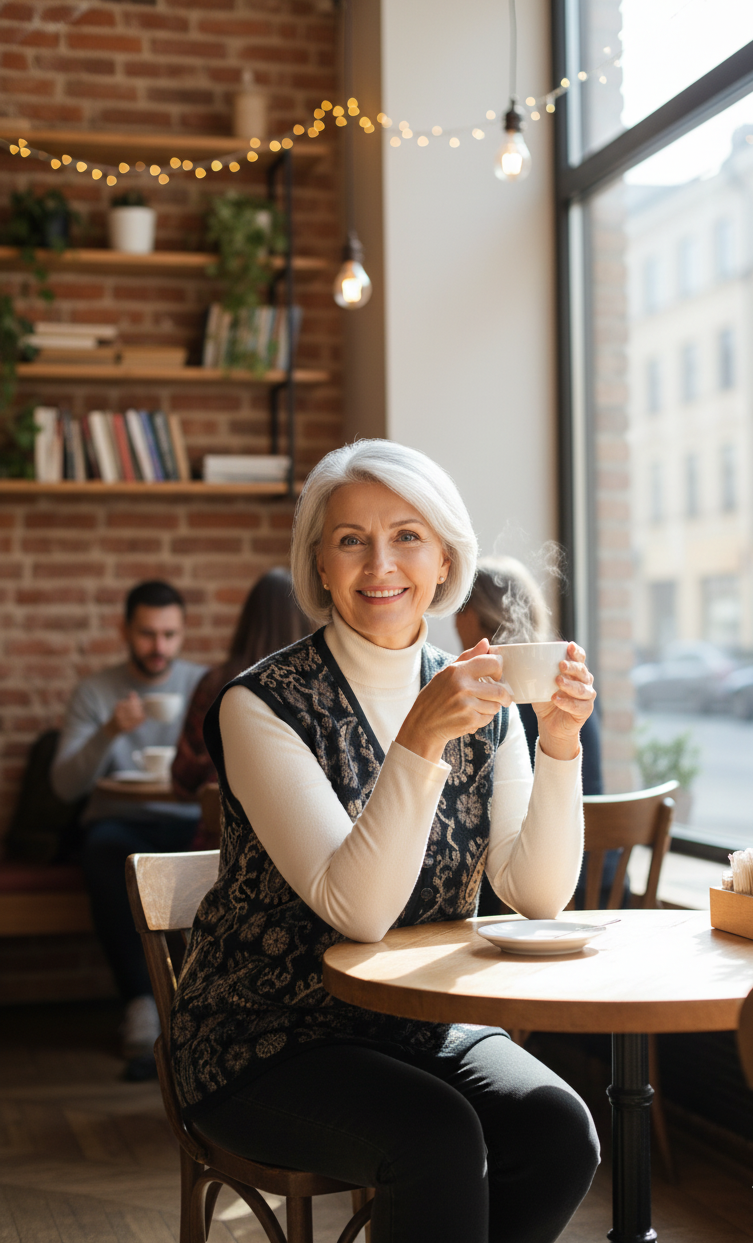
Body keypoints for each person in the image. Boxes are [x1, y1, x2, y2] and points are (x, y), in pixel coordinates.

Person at [170, 440, 600, 1243]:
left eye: (407, 535)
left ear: (444, 561)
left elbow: (537, 895)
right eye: (350, 540)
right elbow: (358, 910)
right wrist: (420, 739)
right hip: (264, 1033)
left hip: (418, 1020)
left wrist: (560, 746)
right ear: (320, 568)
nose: (380, 563)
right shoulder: (259, 707)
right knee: (435, 1139)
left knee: (557, 1131)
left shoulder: (488, 696)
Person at [51, 580, 207, 1078]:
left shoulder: (203, 686)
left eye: (169, 635)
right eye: (146, 634)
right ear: (125, 630)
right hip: (122, 827)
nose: (158, 647)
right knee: (106, 851)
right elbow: (63, 787)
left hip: (190, 825)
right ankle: (142, 1002)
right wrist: (109, 732)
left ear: (183, 634)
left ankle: (202, 1008)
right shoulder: (96, 692)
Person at [456, 556, 620, 912]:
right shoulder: (570, 692)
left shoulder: (490, 701)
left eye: (459, 608)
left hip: (543, 888)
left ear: (470, 615)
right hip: (604, 879)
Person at [171, 568, 312, 799]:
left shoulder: (216, 684)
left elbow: (183, 781)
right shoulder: (320, 688)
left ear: (248, 619)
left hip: (221, 829)